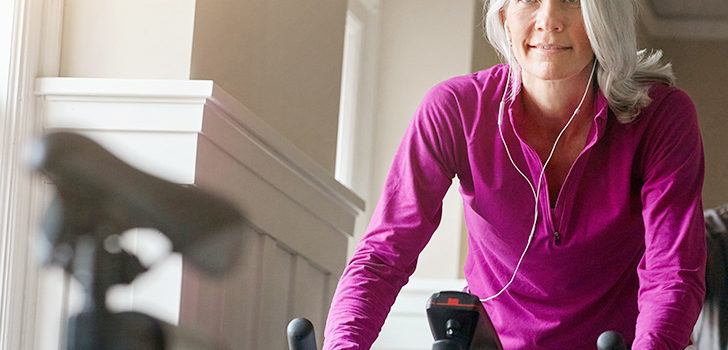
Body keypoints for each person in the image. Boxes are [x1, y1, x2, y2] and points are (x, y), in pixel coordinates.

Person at [323, 0, 707, 349]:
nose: (549, 21)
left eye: (572, 1)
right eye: (529, 0)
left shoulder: (663, 116)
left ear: (603, 17)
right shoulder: (454, 109)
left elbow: (672, 271)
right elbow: (383, 255)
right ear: (505, 15)